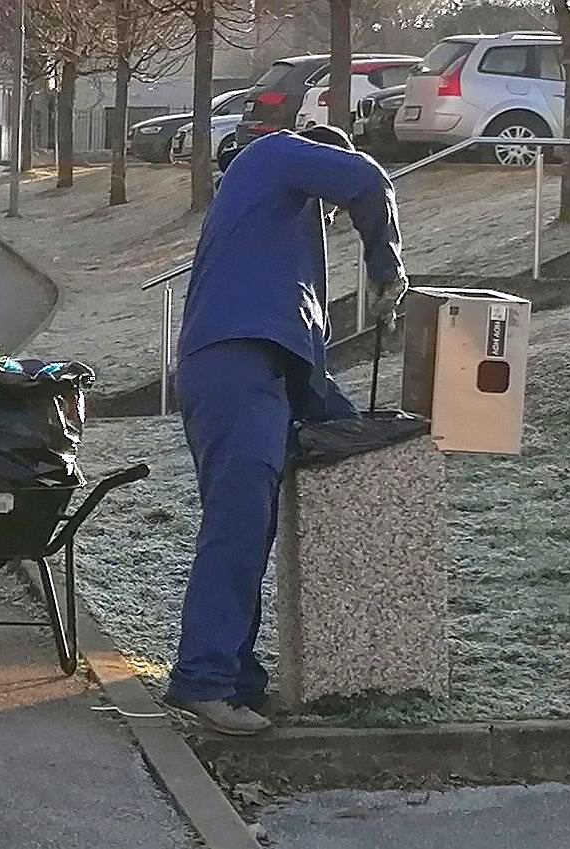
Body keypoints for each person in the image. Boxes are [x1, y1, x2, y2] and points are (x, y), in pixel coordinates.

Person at [164, 126, 408, 736]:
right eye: (326, 201)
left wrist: (361, 428)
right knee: (238, 523)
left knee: (250, 523)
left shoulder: (271, 231)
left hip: (247, 368)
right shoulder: (273, 155)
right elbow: (370, 180)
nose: (329, 215)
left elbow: (305, 365)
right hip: (236, 363)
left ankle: (239, 679)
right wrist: (386, 267)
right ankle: (203, 680)